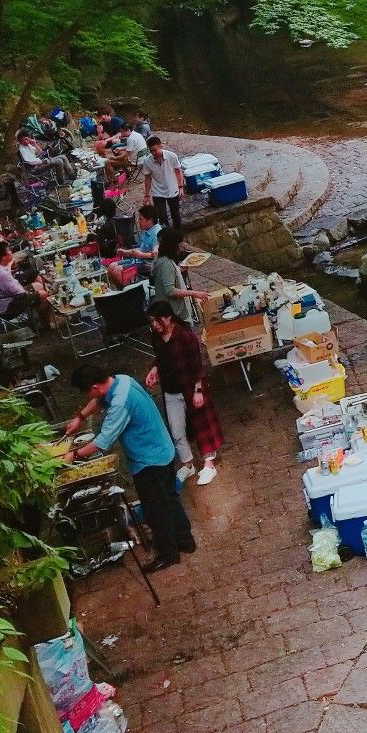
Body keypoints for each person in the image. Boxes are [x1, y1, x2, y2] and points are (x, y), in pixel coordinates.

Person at [68, 363, 195, 570]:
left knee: (156, 510)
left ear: (93, 387)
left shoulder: (120, 403)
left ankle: (168, 553)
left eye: (86, 392)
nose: (88, 397)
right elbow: (99, 401)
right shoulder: (120, 380)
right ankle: (185, 540)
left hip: (149, 459)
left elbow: (102, 442)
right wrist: (79, 418)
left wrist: (73, 455)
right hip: (162, 448)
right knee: (170, 498)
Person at [145, 300, 221, 486]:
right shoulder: (156, 337)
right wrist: (154, 369)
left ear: (168, 317)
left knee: (201, 426)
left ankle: (209, 463)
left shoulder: (186, 336)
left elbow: (197, 366)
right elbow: (161, 358)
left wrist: (198, 391)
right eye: (152, 322)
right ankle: (187, 464)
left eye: (157, 320)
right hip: (171, 392)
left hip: (190, 388)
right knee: (176, 430)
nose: (154, 325)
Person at [0, 243, 56, 330]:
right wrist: (33, 293)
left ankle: (47, 319)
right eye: (8, 250)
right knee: (43, 294)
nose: (11, 251)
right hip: (7, 306)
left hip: (7, 299)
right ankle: (47, 325)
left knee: (38, 286)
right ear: (3, 257)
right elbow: (20, 292)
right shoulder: (0, 273)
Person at [147, 226, 209, 327]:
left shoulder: (162, 260)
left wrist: (179, 270)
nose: (181, 248)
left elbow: (167, 275)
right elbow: (170, 290)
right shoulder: (166, 264)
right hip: (174, 314)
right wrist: (194, 293)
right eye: (180, 245)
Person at [105, 204, 161, 286]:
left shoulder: (157, 233)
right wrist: (126, 252)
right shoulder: (146, 230)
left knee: (117, 271)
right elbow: (141, 248)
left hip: (148, 263)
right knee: (111, 267)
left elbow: (156, 254)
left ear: (149, 221)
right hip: (138, 259)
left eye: (141, 219)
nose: (138, 221)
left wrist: (141, 255)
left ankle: (130, 292)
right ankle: (122, 290)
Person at [144, 137, 185, 231]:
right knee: (162, 216)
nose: (153, 153)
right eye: (151, 151)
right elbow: (147, 177)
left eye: (155, 150)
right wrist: (146, 195)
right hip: (157, 191)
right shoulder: (147, 161)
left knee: (175, 214)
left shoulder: (172, 156)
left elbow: (178, 171)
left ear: (160, 146)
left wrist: (181, 187)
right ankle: (166, 236)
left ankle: (178, 235)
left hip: (172, 188)